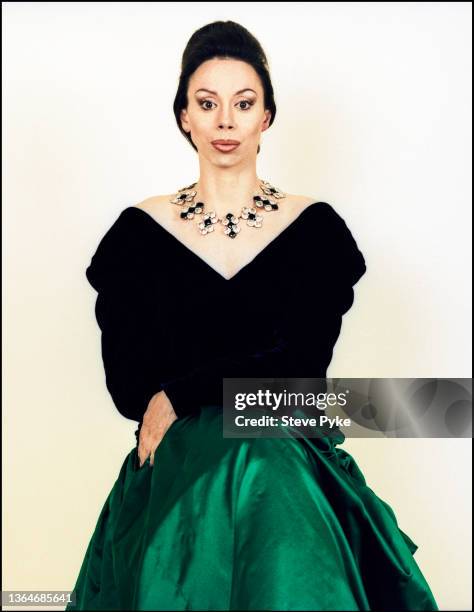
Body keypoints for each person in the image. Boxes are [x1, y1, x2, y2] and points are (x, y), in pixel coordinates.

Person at [66, 20, 439, 612]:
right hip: (178, 468)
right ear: (183, 115)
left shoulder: (314, 228)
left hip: (283, 451)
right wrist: (190, 398)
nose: (225, 122)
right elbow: (130, 386)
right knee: (239, 462)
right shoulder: (139, 233)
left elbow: (301, 370)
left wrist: (184, 390)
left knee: (262, 458)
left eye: (243, 104)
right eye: (207, 103)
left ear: (266, 115)